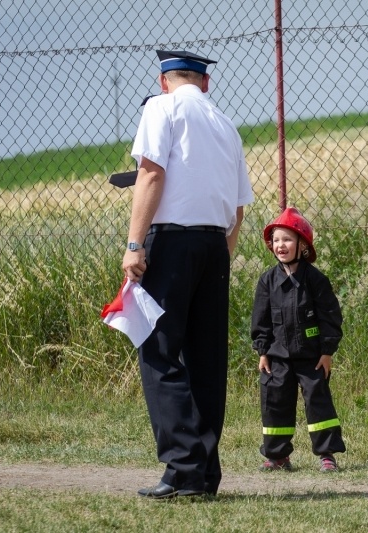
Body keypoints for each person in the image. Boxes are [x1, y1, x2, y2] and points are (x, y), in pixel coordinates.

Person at [122, 49, 255, 499]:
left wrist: (135, 245)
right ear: (205, 83)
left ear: (164, 82)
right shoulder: (225, 125)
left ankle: (182, 468)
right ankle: (205, 475)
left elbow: (151, 174)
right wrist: (222, 257)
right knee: (206, 360)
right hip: (215, 246)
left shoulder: (161, 108)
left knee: (158, 351)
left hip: (173, 242)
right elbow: (237, 209)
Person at [251, 207, 346, 472]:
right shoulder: (267, 282)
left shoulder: (315, 280)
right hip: (277, 358)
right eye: (276, 240)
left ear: (302, 245)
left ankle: (326, 454)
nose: (281, 245)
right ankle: (277, 456)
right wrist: (263, 351)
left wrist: (326, 352)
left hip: (312, 357)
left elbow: (330, 317)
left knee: (319, 402)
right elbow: (260, 321)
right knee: (275, 403)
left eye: (288, 239)